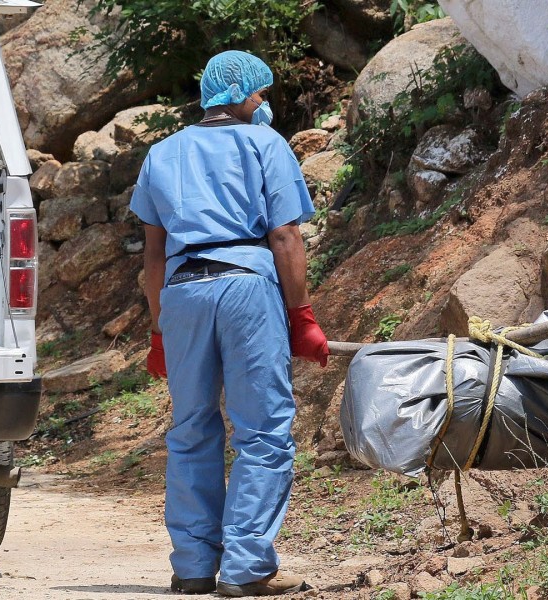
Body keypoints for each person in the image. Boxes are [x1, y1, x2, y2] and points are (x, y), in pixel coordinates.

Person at [130, 50, 329, 597]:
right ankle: (246, 568)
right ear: (238, 94)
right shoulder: (266, 144)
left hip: (183, 292)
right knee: (263, 428)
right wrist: (302, 316)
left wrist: (157, 330)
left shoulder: (162, 152)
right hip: (246, 287)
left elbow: (153, 253)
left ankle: (193, 567)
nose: (263, 101)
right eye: (259, 92)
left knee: (191, 427)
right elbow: (285, 235)